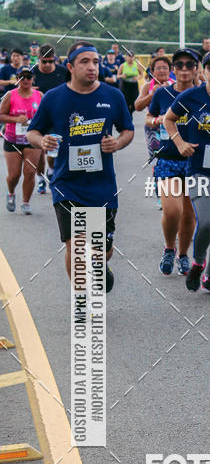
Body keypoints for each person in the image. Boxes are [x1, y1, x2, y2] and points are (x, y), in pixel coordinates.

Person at [27, 42, 134, 290]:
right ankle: (82, 299)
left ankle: (101, 263)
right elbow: (33, 131)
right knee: (75, 245)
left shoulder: (112, 95)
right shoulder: (54, 98)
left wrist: (117, 144)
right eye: (84, 62)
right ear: (70, 66)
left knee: (100, 252)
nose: (92, 67)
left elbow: (127, 130)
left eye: (95, 62)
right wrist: (41, 140)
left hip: (101, 185)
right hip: (67, 184)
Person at [164, 49, 210, 295]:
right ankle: (197, 262)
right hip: (201, 170)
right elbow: (168, 119)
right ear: (203, 71)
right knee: (208, 221)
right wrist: (180, 144)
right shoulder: (192, 96)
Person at [147, 50, 197, 276]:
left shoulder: (203, 95)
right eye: (180, 65)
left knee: (189, 215)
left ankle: (183, 254)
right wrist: (158, 119)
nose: (185, 69)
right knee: (172, 210)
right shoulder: (162, 93)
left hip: (195, 161)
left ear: (197, 68)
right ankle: (169, 247)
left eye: (190, 65)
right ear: (173, 70)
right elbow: (148, 117)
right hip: (168, 158)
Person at [1, 67, 42, 214]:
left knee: (30, 172)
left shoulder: (39, 96)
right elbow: (1, 115)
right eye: (22, 77)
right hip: (13, 139)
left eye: (28, 77)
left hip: (32, 139)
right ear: (17, 78)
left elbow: (46, 116)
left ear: (33, 79)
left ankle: (25, 202)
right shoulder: (10, 95)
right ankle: (11, 193)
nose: (25, 80)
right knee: (14, 175)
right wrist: (16, 119)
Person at [135, 55, 174, 210]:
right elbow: (137, 106)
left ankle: (174, 192)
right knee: (158, 160)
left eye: (165, 67)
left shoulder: (174, 85)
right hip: (153, 127)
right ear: (152, 71)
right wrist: (153, 94)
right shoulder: (148, 85)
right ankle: (160, 194)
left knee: (172, 158)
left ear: (170, 70)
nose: (162, 70)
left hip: (171, 126)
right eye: (158, 68)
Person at [31, 44, 69, 194]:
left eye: (50, 61)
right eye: (44, 61)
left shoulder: (63, 72)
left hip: (57, 117)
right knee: (39, 152)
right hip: (37, 118)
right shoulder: (31, 73)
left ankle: (51, 171)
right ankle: (41, 179)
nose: (47, 65)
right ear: (38, 59)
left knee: (52, 151)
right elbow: (18, 91)